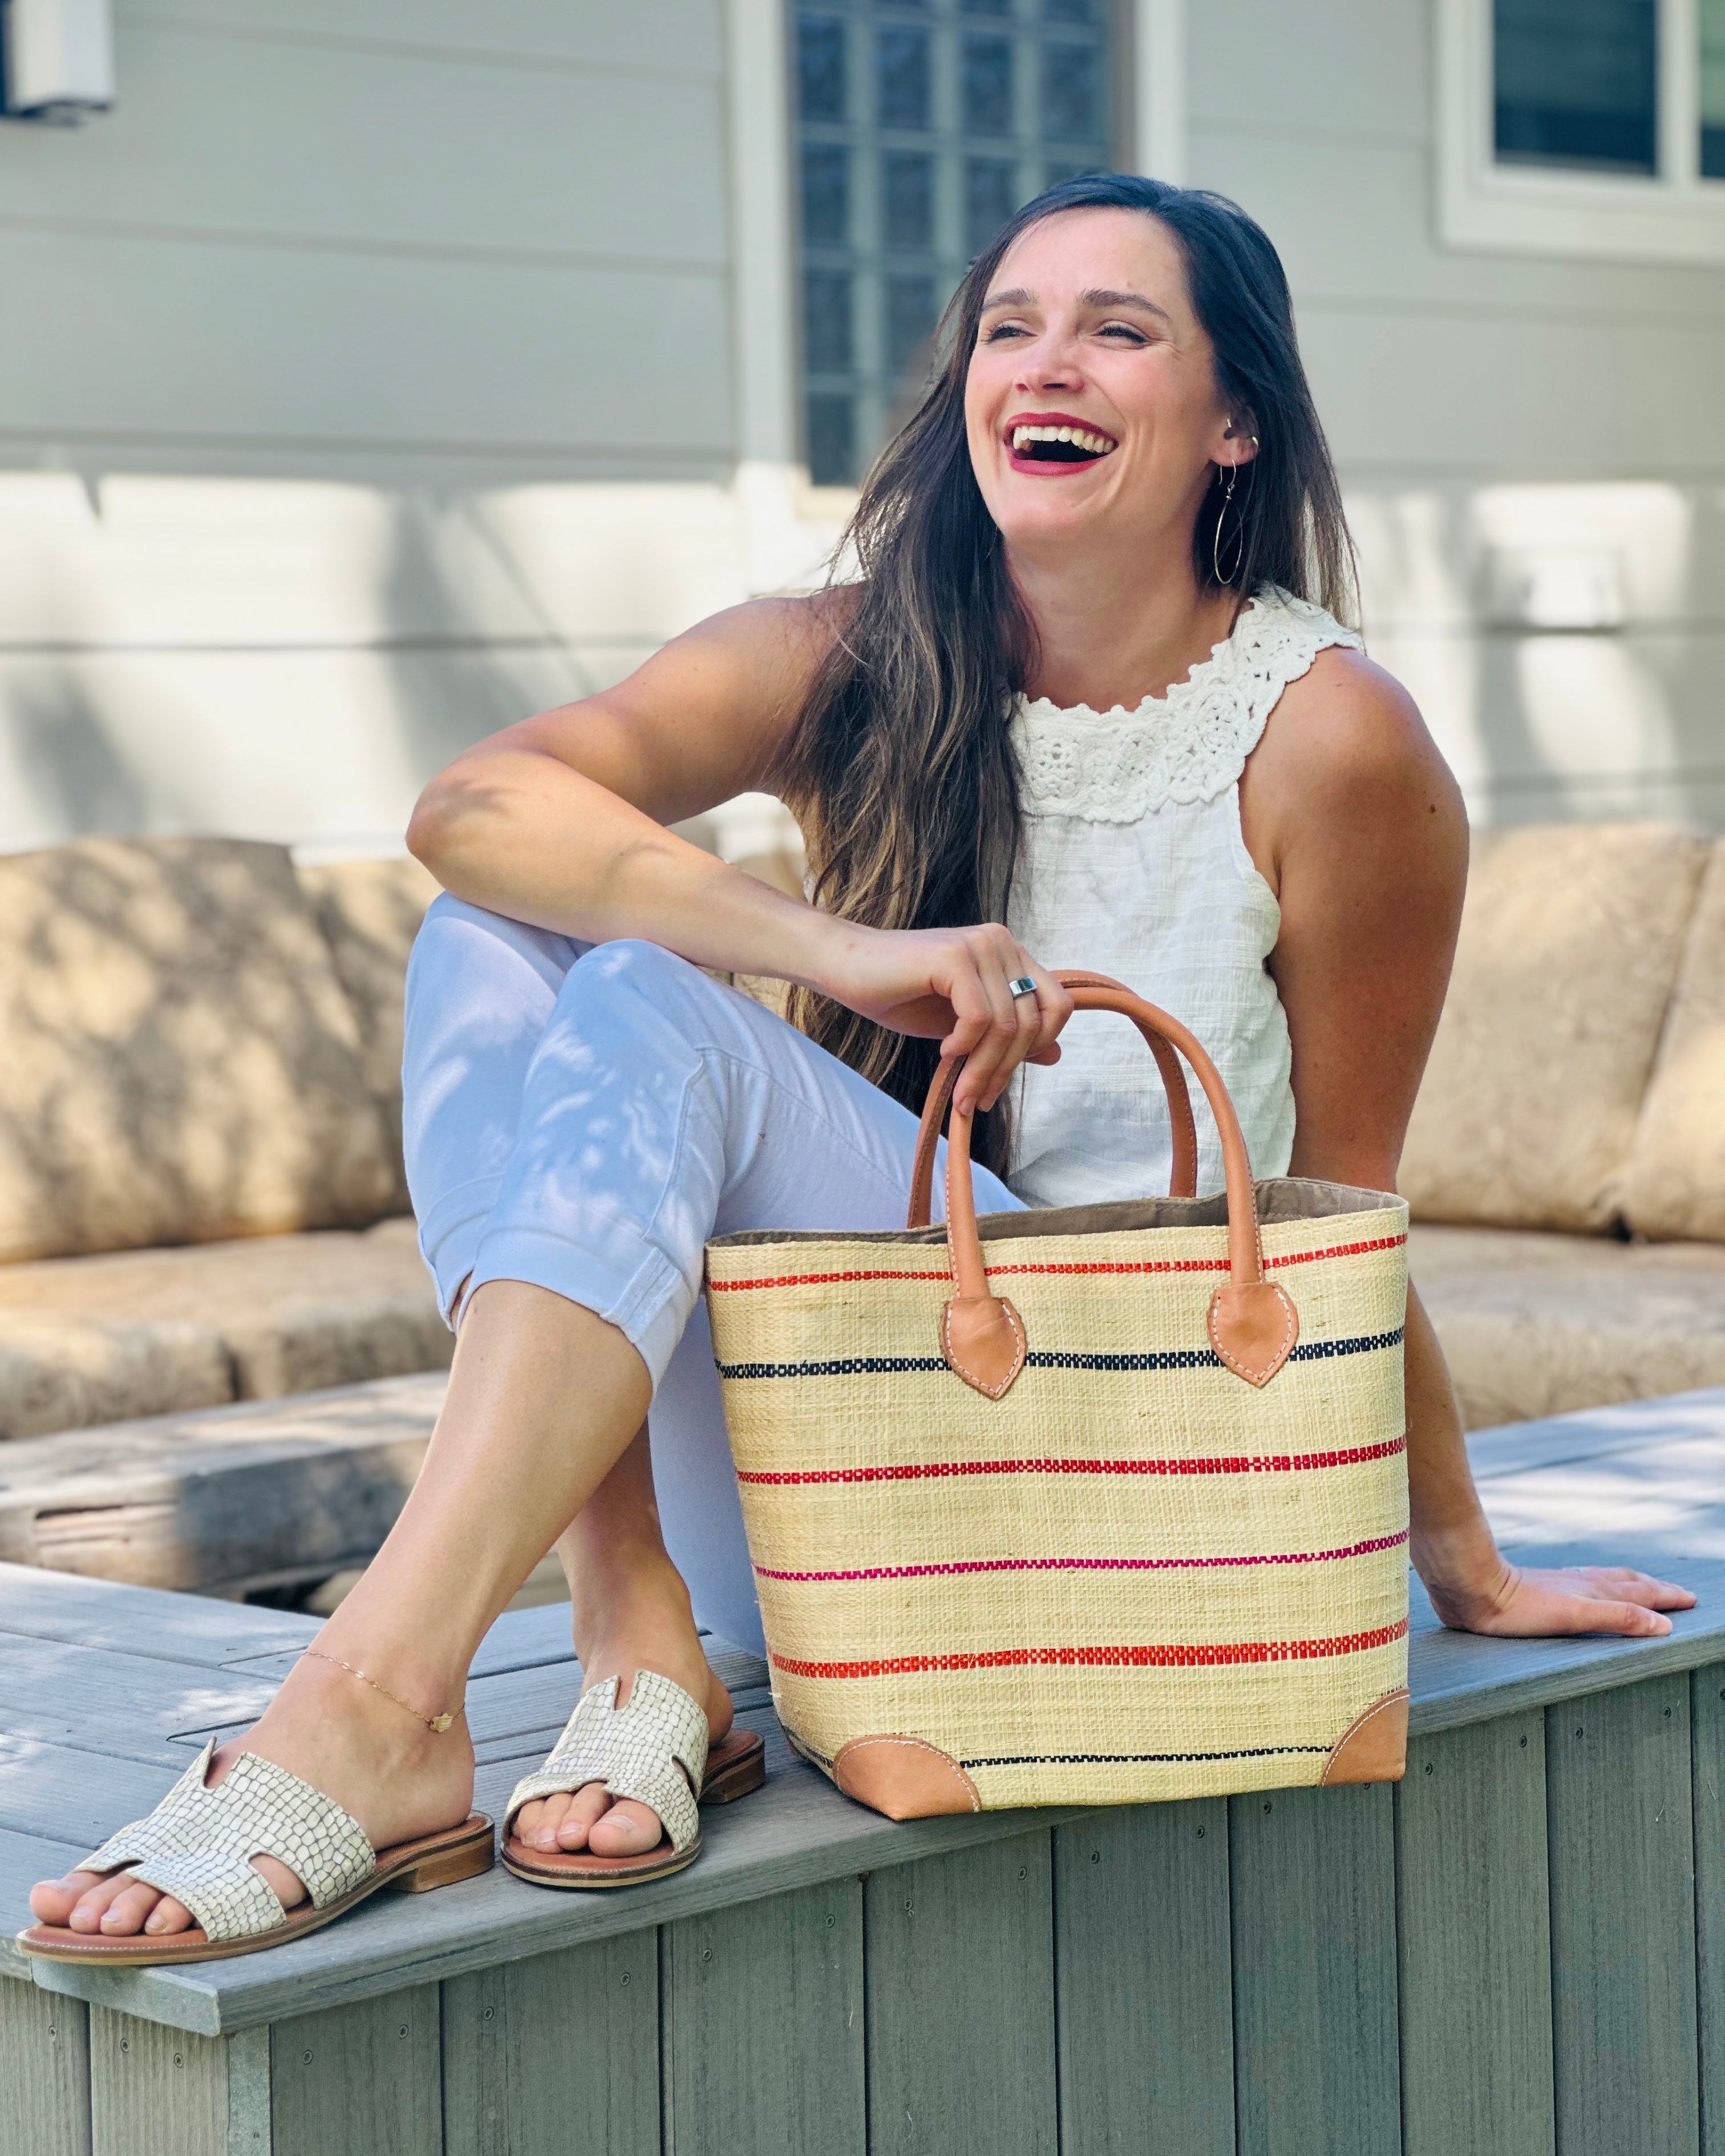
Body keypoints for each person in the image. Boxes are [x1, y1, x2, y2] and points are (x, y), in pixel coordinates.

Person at [25, 174, 1691, 1957]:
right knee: (490, 935)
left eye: (1120, 330)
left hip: (1117, 1508)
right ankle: (631, 1627)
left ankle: (377, 1693)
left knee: (649, 1001)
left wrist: (1464, 1557)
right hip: (854, 1484)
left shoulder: (1334, 740)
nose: (1047, 364)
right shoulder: (855, 660)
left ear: (1233, 425)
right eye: (1011, 326)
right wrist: (843, 954)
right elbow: (471, 808)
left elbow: (1352, 1211)